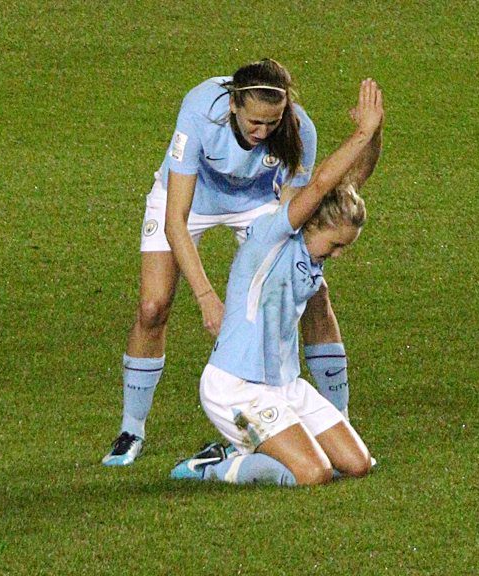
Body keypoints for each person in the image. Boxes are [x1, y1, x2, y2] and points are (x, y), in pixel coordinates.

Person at [103, 59, 353, 466]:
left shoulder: (299, 129)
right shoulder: (202, 109)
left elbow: (290, 221)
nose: (263, 132)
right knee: (152, 307)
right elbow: (175, 221)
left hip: (256, 205)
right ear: (234, 106)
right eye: (255, 122)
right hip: (190, 201)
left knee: (315, 296)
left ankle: (338, 420)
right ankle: (131, 429)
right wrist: (206, 297)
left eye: (272, 123)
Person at [169, 78, 384, 486]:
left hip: (286, 385)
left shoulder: (313, 247)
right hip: (236, 388)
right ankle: (216, 467)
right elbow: (320, 184)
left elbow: (351, 181)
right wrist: (359, 133)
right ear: (314, 222)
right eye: (337, 245)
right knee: (312, 474)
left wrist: (375, 132)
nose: (338, 255)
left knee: (357, 465)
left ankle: (258, 445)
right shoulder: (273, 235)